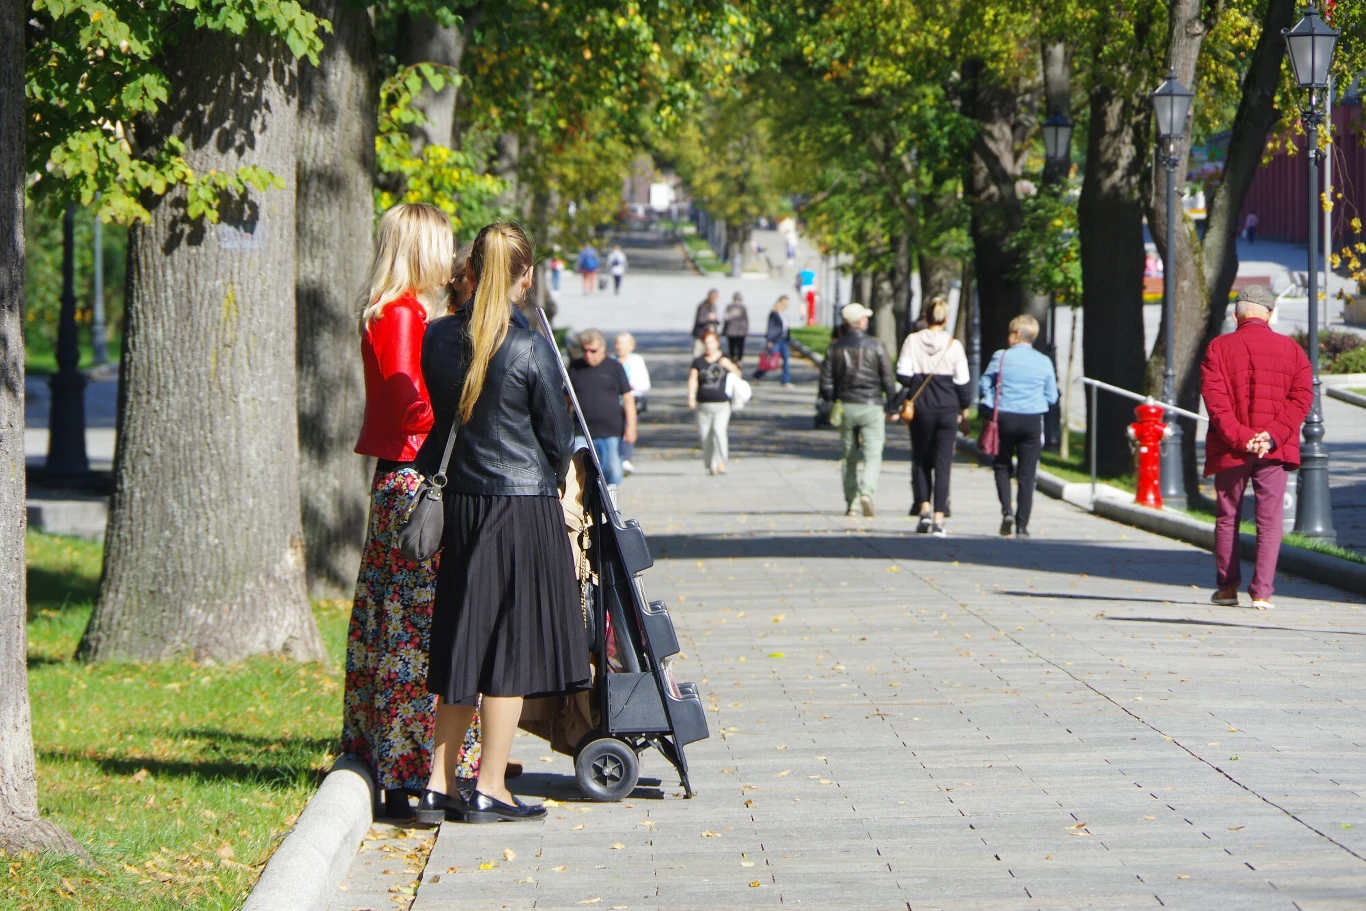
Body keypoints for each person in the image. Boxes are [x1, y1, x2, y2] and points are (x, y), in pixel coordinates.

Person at [414, 221, 589, 826]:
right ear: (526, 275)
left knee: (464, 639)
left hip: (462, 501)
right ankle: (491, 784)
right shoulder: (530, 344)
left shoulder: (436, 338)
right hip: (520, 505)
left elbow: (440, 418)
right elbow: (558, 436)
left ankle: (438, 782)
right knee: (508, 650)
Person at [344, 202, 465, 822]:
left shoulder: (402, 311)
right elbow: (403, 390)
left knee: (397, 617)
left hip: (403, 475)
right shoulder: (401, 314)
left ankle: (398, 758)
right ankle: (404, 767)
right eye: (444, 246)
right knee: (412, 624)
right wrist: (449, 419)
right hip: (414, 478)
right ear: (422, 249)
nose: (451, 259)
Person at [1201, 285, 1312, 610]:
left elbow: (1216, 401)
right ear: (1269, 314)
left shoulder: (1218, 348)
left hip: (1230, 448)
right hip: (1274, 450)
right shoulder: (1292, 350)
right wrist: (1272, 435)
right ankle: (1262, 592)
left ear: (1236, 315)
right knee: (1269, 520)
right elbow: (1302, 397)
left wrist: (1241, 437)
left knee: (1227, 516)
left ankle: (1226, 588)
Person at [897, 297, 972, 536]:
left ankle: (924, 511)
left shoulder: (912, 341)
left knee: (921, 460)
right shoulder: (954, 345)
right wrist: (964, 409)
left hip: (921, 409)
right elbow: (963, 382)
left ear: (926, 317)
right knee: (943, 464)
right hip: (947, 410)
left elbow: (903, 376)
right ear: (945, 319)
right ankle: (940, 518)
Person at [979, 314, 1059, 539]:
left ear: (1016, 335)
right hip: (1032, 420)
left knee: (1002, 465)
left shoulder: (1001, 357)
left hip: (1004, 417)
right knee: (1027, 473)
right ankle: (1022, 525)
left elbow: (984, 383)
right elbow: (1052, 396)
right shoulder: (1044, 361)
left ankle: (1007, 510)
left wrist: (991, 396)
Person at [819, 303, 897, 517]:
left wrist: (832, 400)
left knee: (849, 456)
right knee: (873, 454)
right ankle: (867, 492)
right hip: (871, 405)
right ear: (861, 322)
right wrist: (892, 405)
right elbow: (888, 380)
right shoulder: (876, 346)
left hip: (845, 406)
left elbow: (825, 383)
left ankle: (852, 502)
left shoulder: (835, 348)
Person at [568, 328, 637, 492]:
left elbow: (628, 398)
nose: (588, 355)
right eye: (585, 351)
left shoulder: (614, 367)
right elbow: (566, 400)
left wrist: (631, 427)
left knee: (612, 472)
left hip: (610, 431)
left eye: (593, 350)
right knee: (580, 473)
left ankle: (611, 510)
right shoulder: (575, 368)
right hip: (581, 432)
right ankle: (586, 511)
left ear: (603, 347)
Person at [688, 330, 742, 475]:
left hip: (722, 404)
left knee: (719, 432)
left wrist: (729, 366)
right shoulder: (698, 361)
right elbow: (693, 379)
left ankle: (721, 461)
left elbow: (739, 375)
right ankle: (711, 463)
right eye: (706, 343)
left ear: (717, 343)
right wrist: (691, 396)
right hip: (703, 405)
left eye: (711, 342)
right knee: (706, 436)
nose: (709, 346)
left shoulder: (724, 359)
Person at [614, 332, 651, 476]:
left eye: (622, 344)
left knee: (628, 428)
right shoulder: (611, 361)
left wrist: (631, 386)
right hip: (614, 403)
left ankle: (626, 459)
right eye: (617, 344)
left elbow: (645, 384)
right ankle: (617, 458)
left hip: (632, 401)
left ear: (631, 346)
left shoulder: (636, 361)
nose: (619, 347)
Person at [752, 295, 792, 386]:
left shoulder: (784, 314)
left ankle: (786, 380)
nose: (786, 305)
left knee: (786, 360)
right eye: (785, 303)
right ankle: (757, 374)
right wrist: (770, 340)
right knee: (770, 360)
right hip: (775, 340)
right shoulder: (774, 314)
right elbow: (771, 327)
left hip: (784, 340)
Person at [692, 288, 721, 357]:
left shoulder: (713, 306)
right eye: (714, 298)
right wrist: (708, 317)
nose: (715, 300)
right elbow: (699, 320)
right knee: (698, 354)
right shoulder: (702, 306)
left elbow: (714, 319)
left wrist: (715, 321)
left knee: (709, 354)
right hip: (700, 334)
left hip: (710, 334)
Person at [723, 292, 750, 363]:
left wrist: (724, 330)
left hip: (731, 331)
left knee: (732, 347)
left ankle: (733, 359)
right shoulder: (742, 307)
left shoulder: (730, 307)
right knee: (739, 347)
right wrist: (745, 330)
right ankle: (739, 360)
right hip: (739, 332)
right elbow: (746, 320)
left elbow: (726, 319)